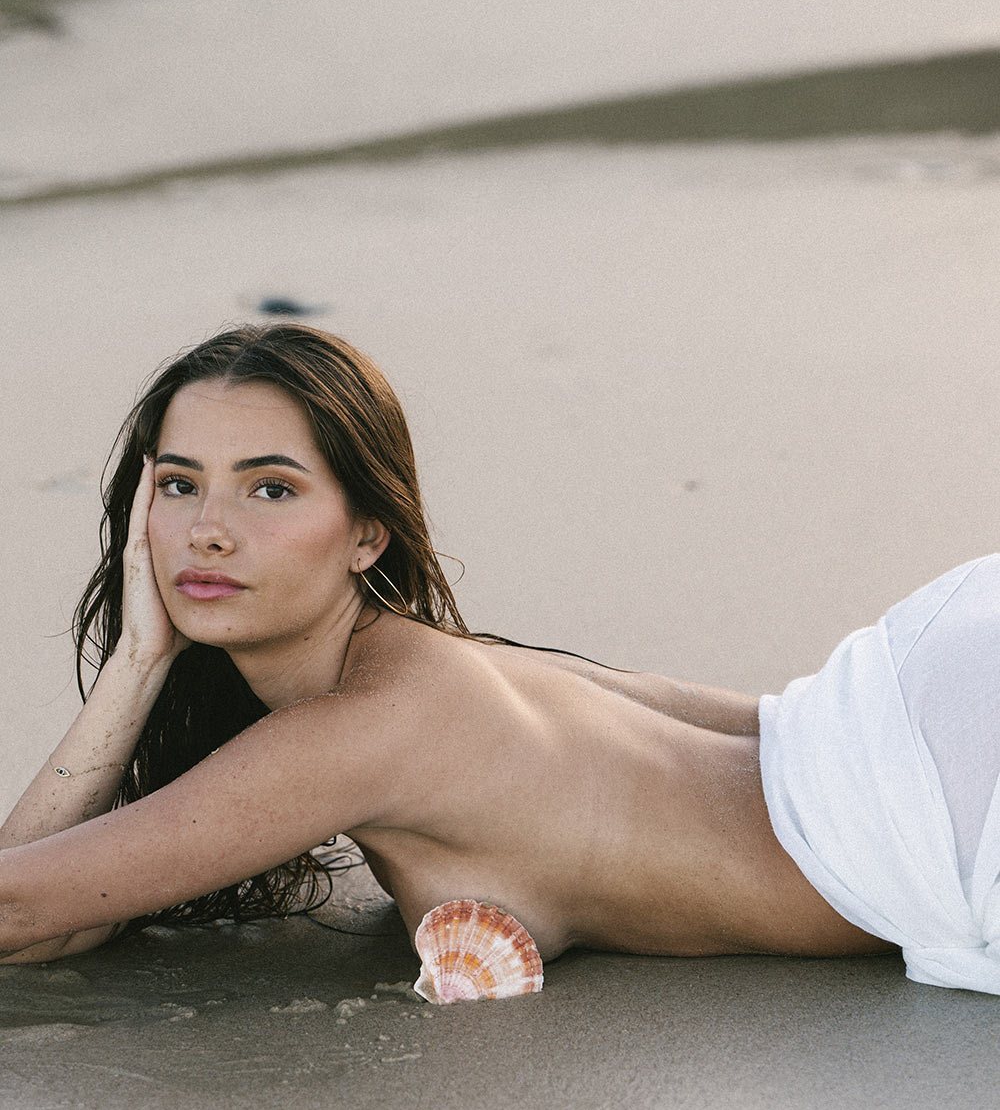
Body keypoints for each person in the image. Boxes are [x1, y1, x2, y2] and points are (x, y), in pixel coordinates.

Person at [0, 325, 994, 994]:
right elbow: (51, 919)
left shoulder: (363, 729)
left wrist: (138, 664)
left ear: (366, 535)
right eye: (178, 486)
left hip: (939, 790)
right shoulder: (429, 672)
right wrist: (139, 660)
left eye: (270, 490)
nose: (208, 531)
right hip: (918, 701)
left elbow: (20, 906)